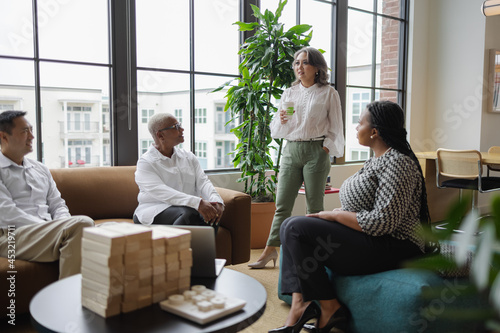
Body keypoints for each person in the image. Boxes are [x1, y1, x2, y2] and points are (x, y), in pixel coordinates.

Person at [271, 101, 431, 333]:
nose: (356, 128)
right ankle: (301, 303)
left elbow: (383, 223)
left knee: (297, 228)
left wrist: (336, 217)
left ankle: (328, 307)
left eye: (360, 123)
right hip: (370, 237)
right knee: (291, 225)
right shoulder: (376, 160)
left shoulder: (398, 163)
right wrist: (337, 215)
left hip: (395, 246)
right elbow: (365, 209)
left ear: (374, 131)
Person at [248, 46, 344, 268]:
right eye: (296, 63)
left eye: (305, 62)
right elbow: (278, 131)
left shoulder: (329, 93)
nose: (299, 67)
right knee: (282, 205)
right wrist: (281, 120)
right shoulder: (289, 93)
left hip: (316, 151)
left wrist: (325, 150)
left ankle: (313, 254)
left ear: (317, 68)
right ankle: (270, 249)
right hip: (290, 151)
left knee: (314, 206)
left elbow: (336, 127)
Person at [0, 111, 94, 279]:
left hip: (47, 231)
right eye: (24, 131)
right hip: (10, 237)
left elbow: (57, 204)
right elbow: (7, 214)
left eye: (31, 130)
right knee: (83, 225)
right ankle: (67, 301)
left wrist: (60, 225)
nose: (32, 136)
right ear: (3, 137)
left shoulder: (40, 169)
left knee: (109, 230)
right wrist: (52, 228)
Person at [133, 113, 224, 229]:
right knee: (188, 213)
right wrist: (198, 203)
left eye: (179, 125)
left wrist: (217, 201)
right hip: (153, 211)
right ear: (160, 135)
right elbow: (163, 192)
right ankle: (174, 246)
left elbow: (203, 182)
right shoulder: (145, 163)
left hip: (189, 209)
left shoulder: (189, 157)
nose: (182, 129)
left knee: (212, 215)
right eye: (176, 127)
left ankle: (203, 248)